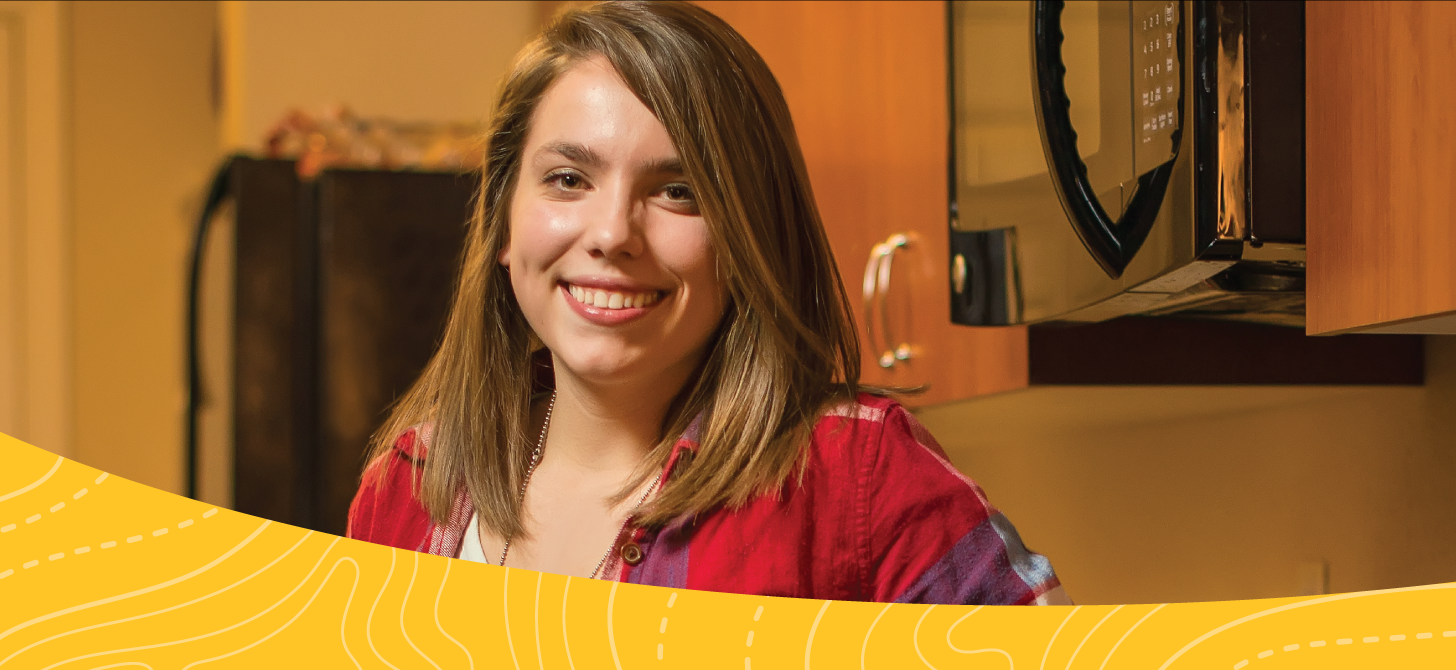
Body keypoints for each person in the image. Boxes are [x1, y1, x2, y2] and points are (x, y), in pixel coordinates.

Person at [345, 1, 1066, 606]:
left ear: (750, 236)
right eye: (568, 179)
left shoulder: (858, 476)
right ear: (504, 221)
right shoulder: (409, 488)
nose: (612, 234)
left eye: (678, 191)